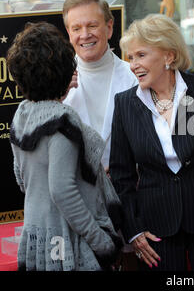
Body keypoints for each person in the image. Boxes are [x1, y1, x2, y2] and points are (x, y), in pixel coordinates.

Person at [109, 14, 194, 271]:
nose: (134, 65)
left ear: (169, 56)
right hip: (156, 229)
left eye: (141, 55)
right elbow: (121, 174)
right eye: (131, 57)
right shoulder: (125, 103)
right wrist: (134, 230)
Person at [8, 22, 122, 271]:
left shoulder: (22, 115)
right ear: (63, 69)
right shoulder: (62, 123)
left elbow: (21, 180)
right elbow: (62, 190)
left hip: (36, 234)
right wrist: (101, 241)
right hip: (68, 239)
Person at [62, 0, 138, 172]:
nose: (85, 34)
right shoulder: (56, 83)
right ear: (69, 33)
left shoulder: (135, 77)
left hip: (128, 190)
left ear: (109, 27)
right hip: (76, 193)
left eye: (92, 25)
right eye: (77, 28)